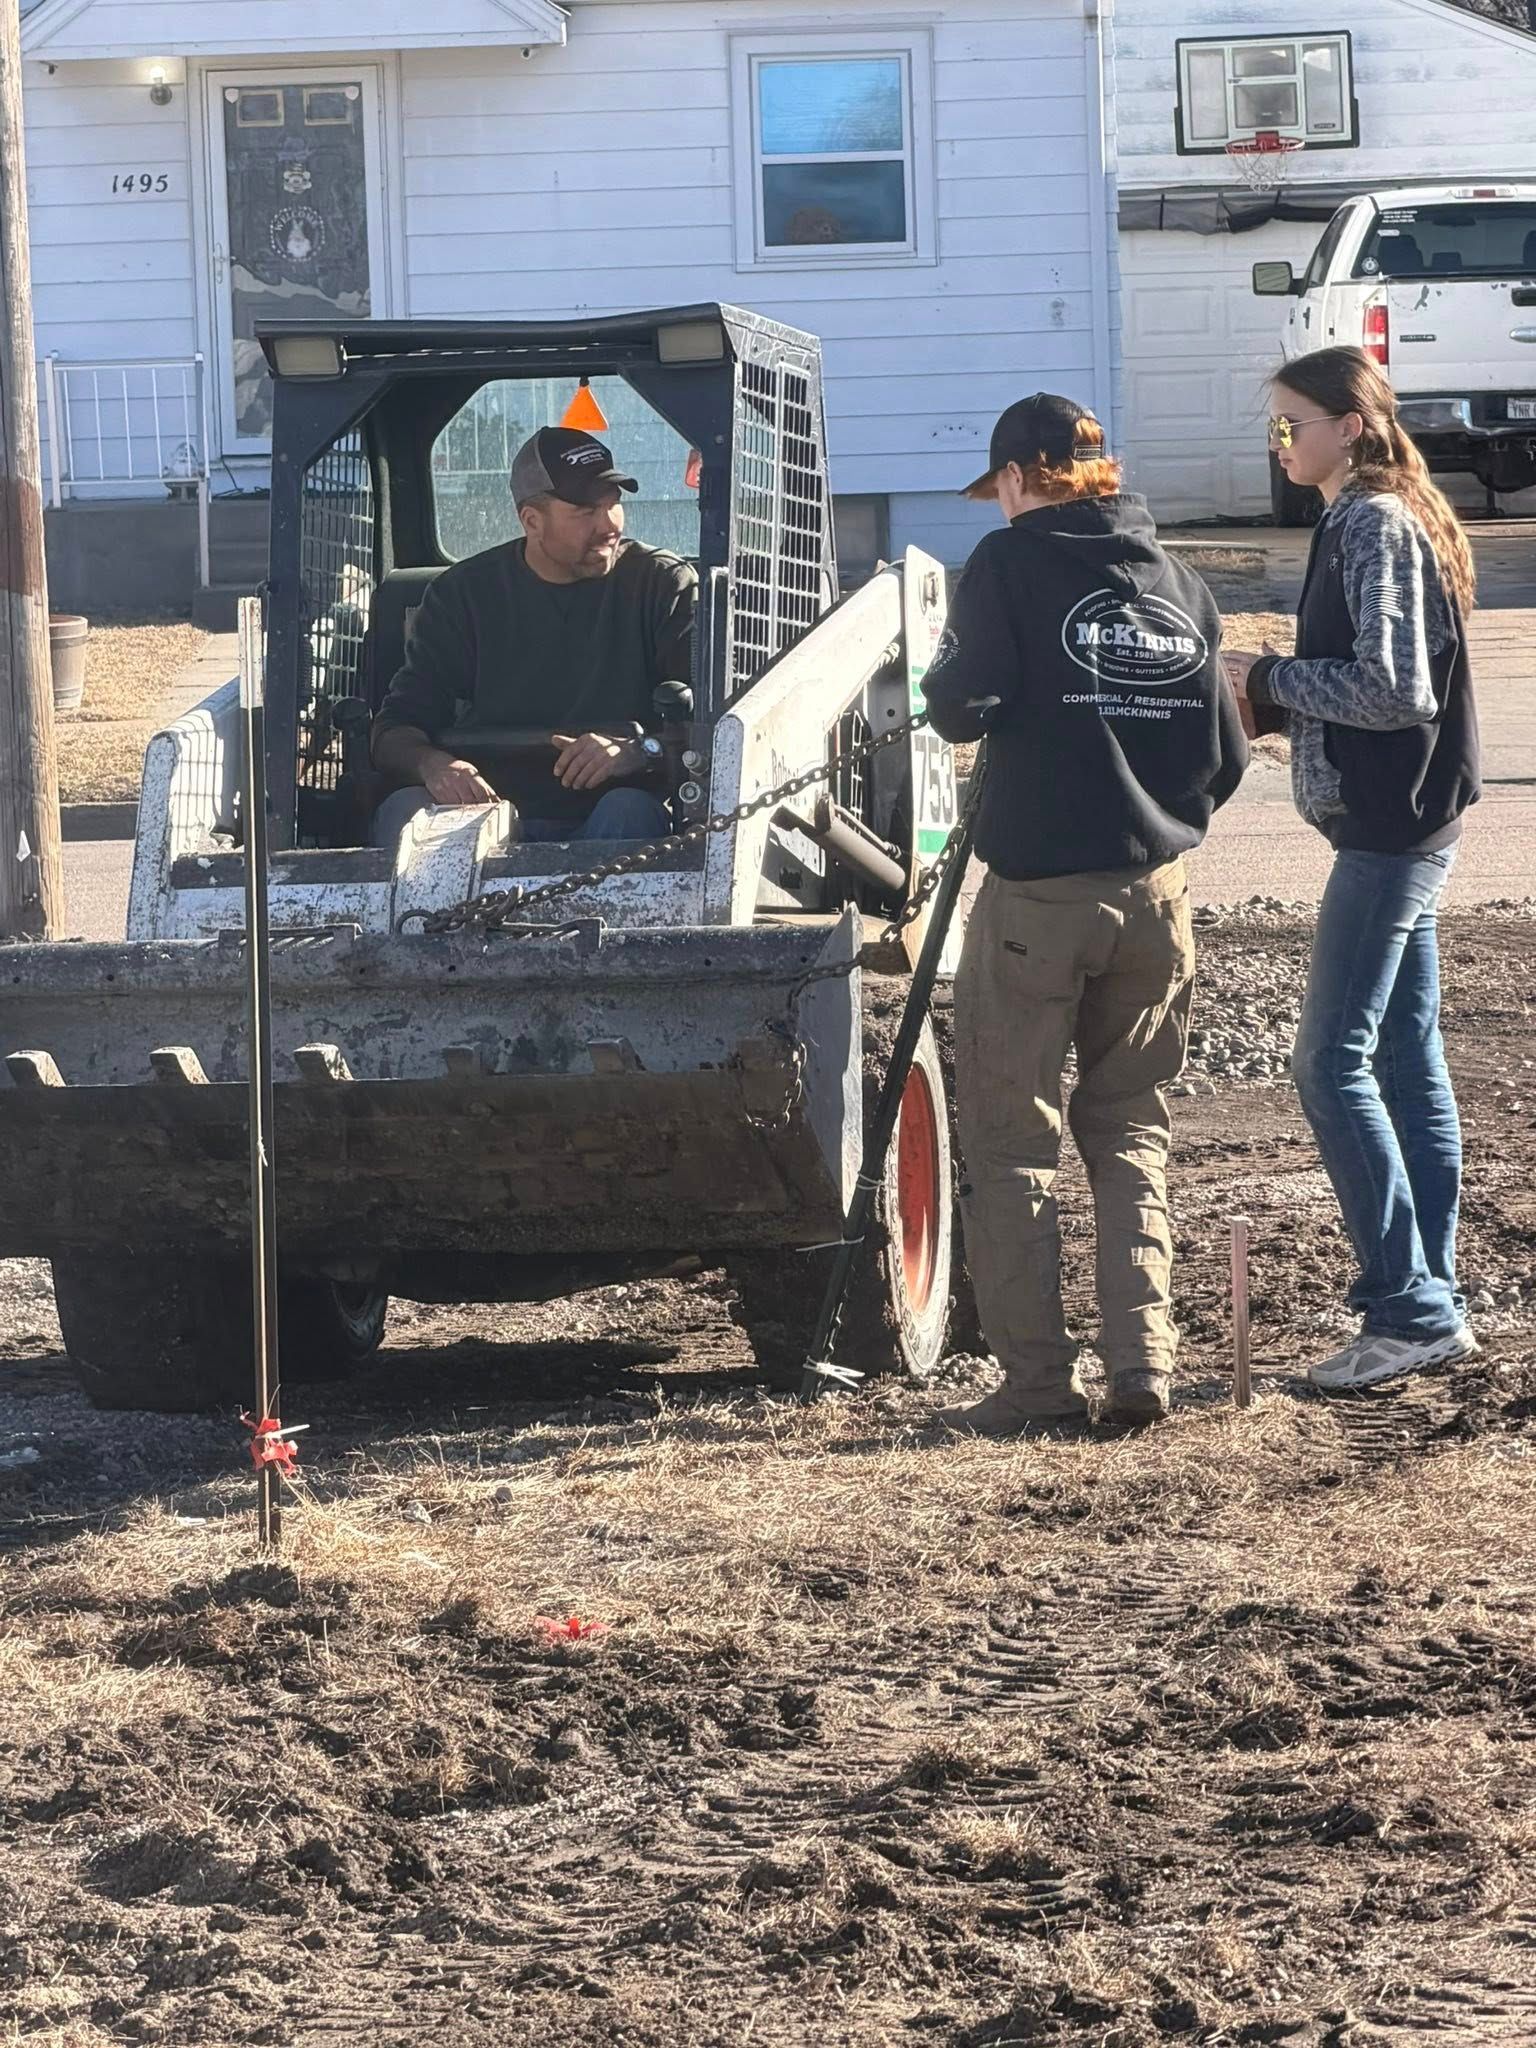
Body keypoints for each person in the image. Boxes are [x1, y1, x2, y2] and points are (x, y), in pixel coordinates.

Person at [922, 395, 1248, 1432]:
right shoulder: (1178, 579)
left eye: (1001, 485)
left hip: (1038, 894)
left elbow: (961, 700)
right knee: (1132, 1130)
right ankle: (1142, 1365)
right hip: (1158, 891)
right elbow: (1227, 752)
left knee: (1014, 1142)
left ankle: (1036, 1384)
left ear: (1021, 474)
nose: (1000, 501)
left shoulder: (1008, 563)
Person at [1224, 346, 1481, 1393]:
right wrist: (1282, 703)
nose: (1278, 441)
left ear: (1353, 427)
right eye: (1276, 424)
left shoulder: (1374, 520)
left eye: (1292, 423)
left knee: (1329, 1062)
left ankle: (1409, 1308)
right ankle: (1432, 1299)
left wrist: (1270, 677)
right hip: (1398, 823)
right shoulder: (1363, 513)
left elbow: (1396, 690)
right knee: (1406, 1060)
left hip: (1392, 831)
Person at [371, 426, 696, 843]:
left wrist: (638, 750)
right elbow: (395, 728)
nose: (608, 524)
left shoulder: (663, 585)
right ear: (531, 521)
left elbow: (705, 726)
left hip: (610, 820)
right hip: (483, 818)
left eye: (613, 505)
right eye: (585, 511)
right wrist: (434, 766)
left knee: (630, 813)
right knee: (405, 813)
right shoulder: (462, 595)